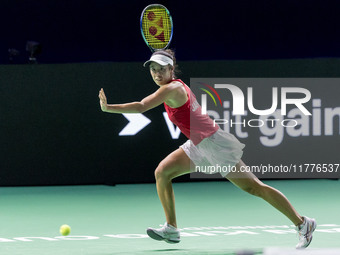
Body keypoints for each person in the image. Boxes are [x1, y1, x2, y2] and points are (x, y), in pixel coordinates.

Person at [98, 49, 316, 249]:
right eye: (153, 70)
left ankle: (302, 223)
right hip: (199, 144)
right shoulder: (172, 86)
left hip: (214, 144)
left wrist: (109, 108)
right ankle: (172, 229)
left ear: (171, 69)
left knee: (254, 188)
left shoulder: (172, 88)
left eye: (161, 69)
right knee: (162, 172)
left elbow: (142, 106)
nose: (156, 73)